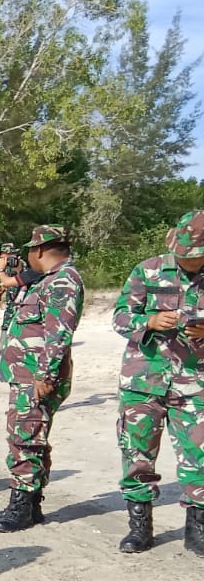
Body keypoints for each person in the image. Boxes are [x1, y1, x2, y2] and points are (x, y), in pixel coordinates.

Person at [110, 210, 204, 555]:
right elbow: (120, 317)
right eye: (182, 254)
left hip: (195, 383)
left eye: (194, 256)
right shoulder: (147, 270)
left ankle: (197, 530)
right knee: (137, 455)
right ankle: (139, 528)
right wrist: (149, 321)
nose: (186, 261)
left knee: (200, 457)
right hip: (143, 379)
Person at [0, 226, 83, 533]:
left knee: (25, 438)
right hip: (29, 374)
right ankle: (31, 504)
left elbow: (58, 333)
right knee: (33, 438)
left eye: (30, 250)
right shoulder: (47, 280)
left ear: (40, 250)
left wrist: (46, 375)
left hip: (37, 376)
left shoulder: (63, 281)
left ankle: (20, 506)